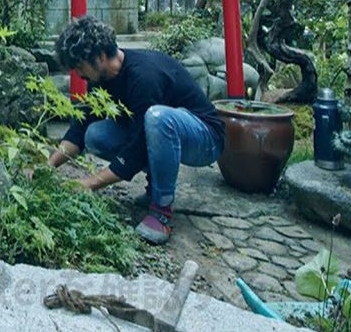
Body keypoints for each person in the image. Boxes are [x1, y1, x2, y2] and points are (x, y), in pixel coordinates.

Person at [45, 16, 225, 245]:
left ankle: (161, 211)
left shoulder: (144, 76)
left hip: (206, 139)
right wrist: (48, 166)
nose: (79, 75)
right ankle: (155, 188)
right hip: (159, 132)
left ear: (99, 57)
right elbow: (80, 128)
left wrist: (89, 183)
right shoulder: (101, 79)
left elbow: (138, 147)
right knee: (95, 135)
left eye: (80, 66)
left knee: (157, 118)